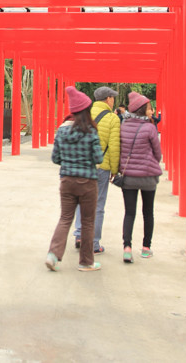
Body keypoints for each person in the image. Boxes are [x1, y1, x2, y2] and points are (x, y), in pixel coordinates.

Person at [45, 86, 104, 272]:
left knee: (65, 218)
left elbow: (55, 158)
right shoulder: (91, 132)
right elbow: (98, 159)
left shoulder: (62, 132)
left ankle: (53, 255)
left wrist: (68, 161)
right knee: (87, 222)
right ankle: (86, 262)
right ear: (86, 111)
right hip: (88, 182)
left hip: (67, 181)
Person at [73, 85, 121, 254]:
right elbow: (114, 147)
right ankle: (93, 242)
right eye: (112, 97)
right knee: (97, 205)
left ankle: (79, 234)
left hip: (82, 165)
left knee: (81, 200)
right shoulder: (113, 119)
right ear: (108, 99)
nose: (113, 100)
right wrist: (115, 170)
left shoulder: (84, 114)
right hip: (101, 167)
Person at [117, 91, 163, 264]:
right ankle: (145, 248)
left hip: (128, 176)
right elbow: (158, 153)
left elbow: (120, 149)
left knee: (129, 213)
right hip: (148, 177)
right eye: (150, 108)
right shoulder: (150, 128)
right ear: (143, 110)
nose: (152, 111)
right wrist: (150, 162)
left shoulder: (124, 126)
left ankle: (127, 248)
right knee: (148, 212)